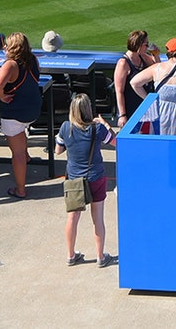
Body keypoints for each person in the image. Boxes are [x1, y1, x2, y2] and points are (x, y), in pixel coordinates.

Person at [56, 94, 117, 268]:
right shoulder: (97, 129)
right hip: (96, 177)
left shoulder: (65, 128)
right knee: (98, 218)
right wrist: (105, 125)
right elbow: (116, 142)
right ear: (88, 109)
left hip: (75, 180)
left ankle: (70, 255)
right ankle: (100, 256)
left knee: (72, 218)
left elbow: (58, 150)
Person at [0, 32, 42, 199]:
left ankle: (20, 189)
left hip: (15, 112)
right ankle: (26, 157)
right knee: (21, 136)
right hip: (33, 110)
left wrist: (2, 97)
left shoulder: (10, 64)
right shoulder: (33, 60)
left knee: (17, 153)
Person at [130, 37, 176, 136]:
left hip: (161, 113)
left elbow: (134, 83)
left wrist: (149, 100)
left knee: (162, 144)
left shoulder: (157, 68)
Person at [113, 30, 156, 131]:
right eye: (146, 44)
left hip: (145, 108)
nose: (148, 47)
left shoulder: (143, 57)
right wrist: (122, 115)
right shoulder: (123, 63)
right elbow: (119, 91)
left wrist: (156, 55)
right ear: (138, 45)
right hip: (131, 108)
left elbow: (157, 69)